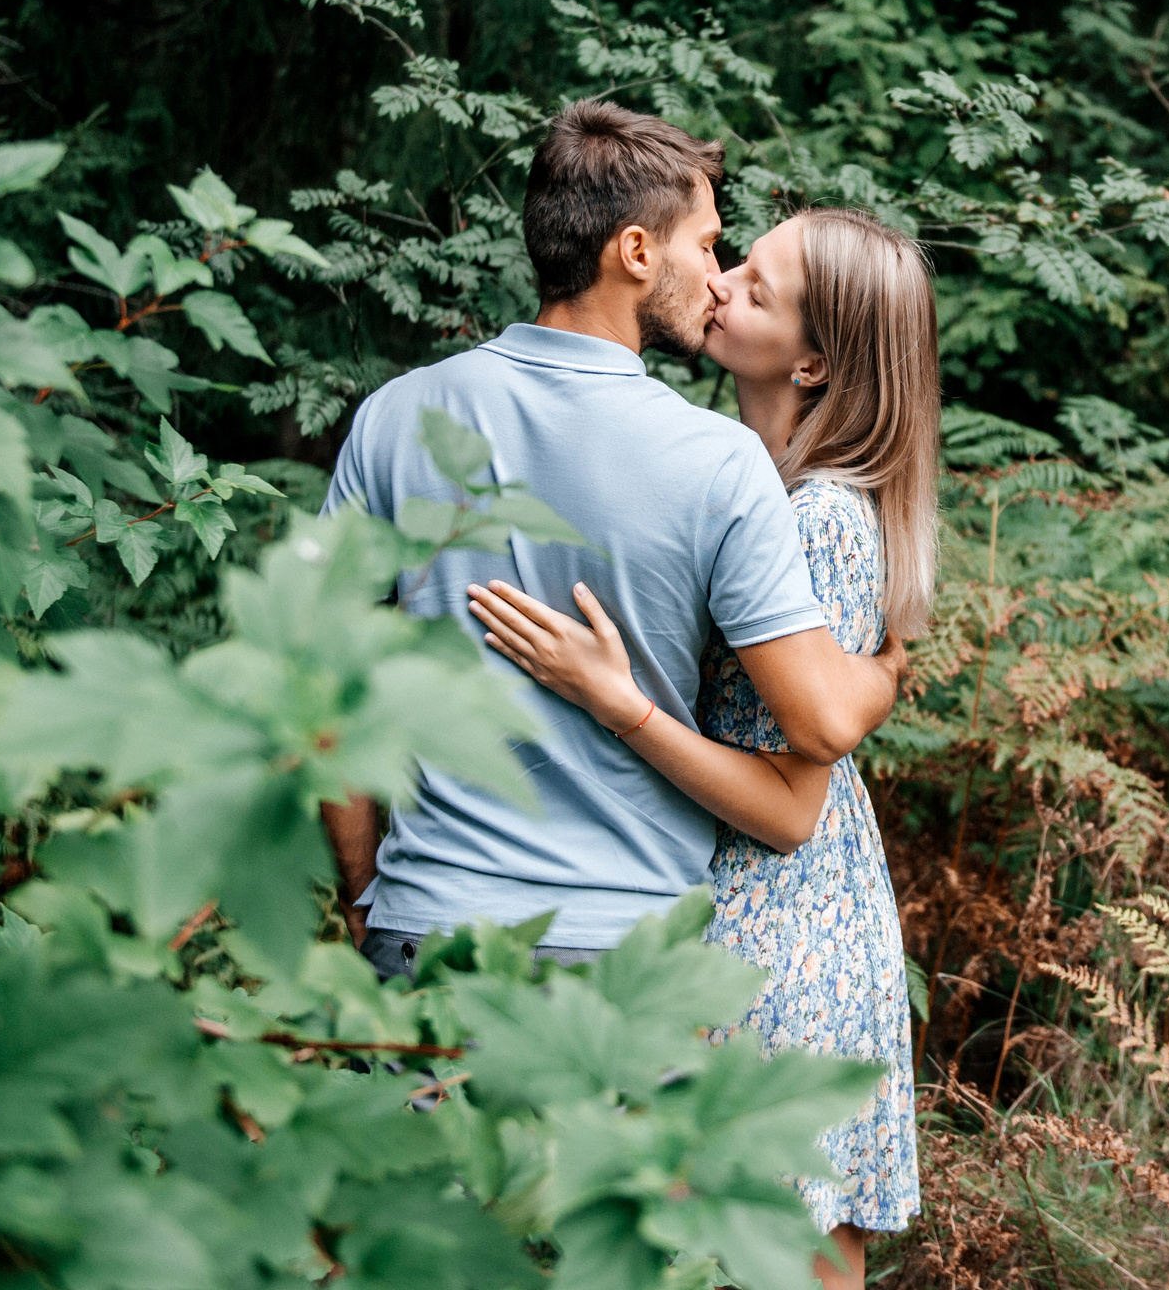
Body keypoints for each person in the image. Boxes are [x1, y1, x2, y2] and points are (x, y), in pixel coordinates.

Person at [318, 100, 905, 978]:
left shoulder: (394, 418)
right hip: (619, 965)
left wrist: (366, 889)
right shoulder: (720, 462)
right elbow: (818, 725)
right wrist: (884, 672)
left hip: (423, 927)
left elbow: (326, 691)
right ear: (635, 252)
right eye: (707, 246)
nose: (717, 277)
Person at [465, 207, 934, 1290]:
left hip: (788, 920)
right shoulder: (747, 481)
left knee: (790, 1254)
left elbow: (787, 806)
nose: (716, 284)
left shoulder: (816, 518)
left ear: (812, 361)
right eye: (733, 259)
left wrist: (617, 702)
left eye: (756, 289)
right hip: (743, 906)